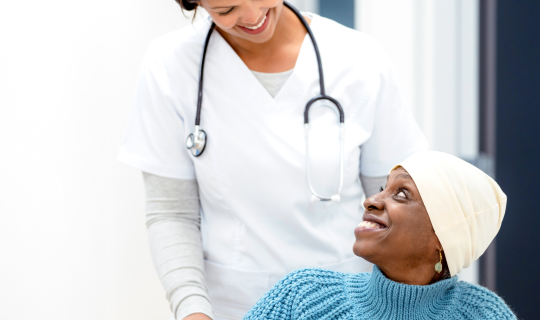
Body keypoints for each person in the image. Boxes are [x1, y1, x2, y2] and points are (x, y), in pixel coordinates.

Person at [118, 0, 427, 319]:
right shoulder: (171, 65)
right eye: (227, 9)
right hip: (233, 305)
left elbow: (403, 206)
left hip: (347, 300)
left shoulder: (358, 59)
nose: (253, 17)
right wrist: (191, 309)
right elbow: (172, 212)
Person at [244, 151, 516, 320]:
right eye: (382, 188)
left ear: (443, 237)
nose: (371, 200)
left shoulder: (485, 314)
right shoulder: (302, 296)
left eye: (402, 194)